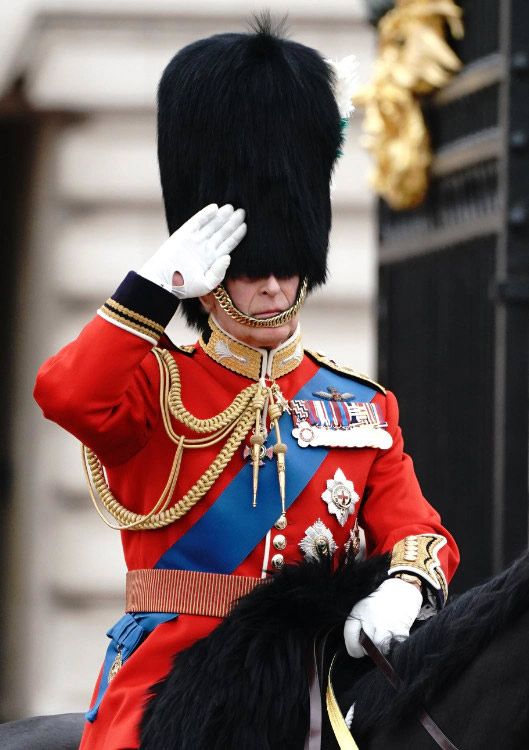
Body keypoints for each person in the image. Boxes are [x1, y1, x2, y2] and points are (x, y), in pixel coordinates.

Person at [34, 16, 459, 750]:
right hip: (178, 676)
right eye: (248, 267)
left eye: (283, 266)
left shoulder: (359, 405)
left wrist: (402, 587)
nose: (268, 284)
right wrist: (153, 289)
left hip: (317, 677)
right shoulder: (156, 384)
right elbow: (66, 393)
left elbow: (418, 531)